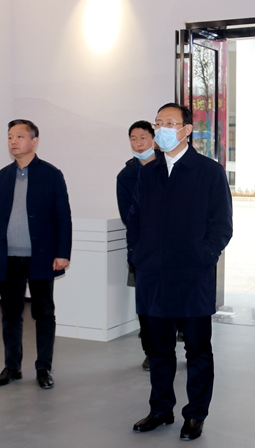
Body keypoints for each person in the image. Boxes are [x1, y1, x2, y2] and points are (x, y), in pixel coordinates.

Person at [127, 103, 233, 441]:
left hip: (192, 278)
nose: (162, 129)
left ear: (187, 130)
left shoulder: (208, 172)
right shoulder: (148, 173)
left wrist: (204, 257)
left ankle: (196, 414)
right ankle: (161, 409)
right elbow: (135, 219)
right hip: (153, 277)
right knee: (159, 350)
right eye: (158, 123)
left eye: (170, 123)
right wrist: (139, 255)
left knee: (197, 351)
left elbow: (221, 225)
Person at [0, 119, 72, 390]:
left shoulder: (51, 174)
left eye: (20, 136)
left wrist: (62, 252)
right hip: (8, 258)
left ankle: (43, 367)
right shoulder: (1, 177)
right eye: (10, 137)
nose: (13, 141)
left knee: (43, 312)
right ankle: (12, 367)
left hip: (41, 256)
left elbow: (63, 216)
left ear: (34, 141)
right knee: (10, 314)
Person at [117, 120, 157, 371]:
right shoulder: (126, 175)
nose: (139, 143)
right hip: (142, 247)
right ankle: (150, 352)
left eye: (143, 137)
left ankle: (182, 341)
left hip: (172, 247)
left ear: (153, 139)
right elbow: (127, 214)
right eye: (134, 138)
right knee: (145, 303)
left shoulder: (168, 167)